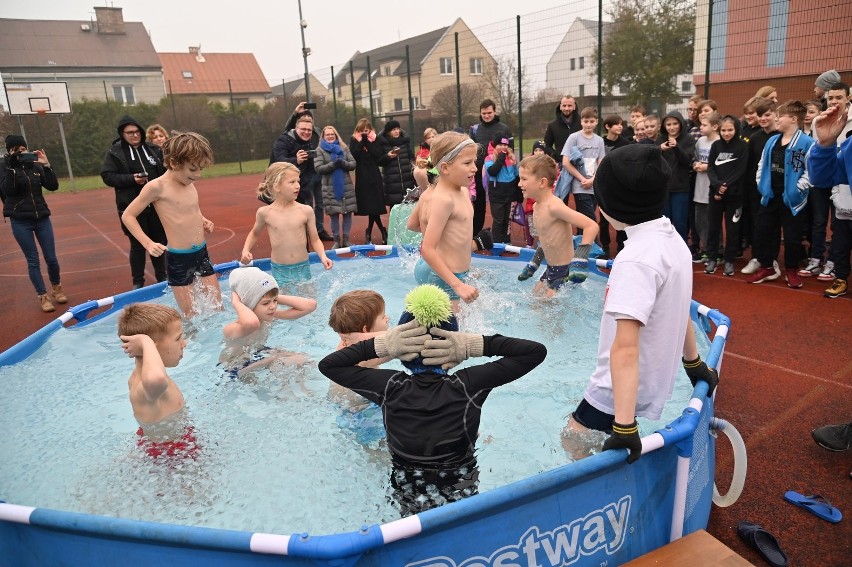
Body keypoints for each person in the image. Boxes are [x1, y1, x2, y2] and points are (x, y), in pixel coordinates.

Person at [318, 284, 547, 515]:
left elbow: (328, 365)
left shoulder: (388, 387)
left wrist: (385, 343)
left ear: (401, 349)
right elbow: (534, 351)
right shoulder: (469, 385)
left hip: (407, 490)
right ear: (454, 343)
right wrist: (471, 345)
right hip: (461, 488)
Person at [562, 145, 698, 464]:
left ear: (611, 204)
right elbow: (681, 305)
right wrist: (693, 362)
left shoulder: (635, 260)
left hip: (615, 390)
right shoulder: (671, 238)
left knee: (573, 440)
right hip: (646, 382)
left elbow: (624, 348)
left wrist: (624, 425)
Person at [120, 132, 220, 315]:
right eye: (192, 169)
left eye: (201, 169)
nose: (197, 175)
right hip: (179, 260)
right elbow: (128, 216)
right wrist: (148, 243)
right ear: (174, 163)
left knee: (217, 308)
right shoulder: (157, 187)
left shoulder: (189, 183)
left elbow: (192, 209)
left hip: (201, 253)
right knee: (192, 316)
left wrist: (203, 220)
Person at [748, 101, 814, 288]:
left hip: (791, 199)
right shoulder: (772, 140)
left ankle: (791, 269)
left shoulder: (807, 143)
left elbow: (811, 172)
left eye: (780, 116)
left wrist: (797, 189)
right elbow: (763, 164)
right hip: (770, 195)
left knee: (793, 237)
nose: (776, 119)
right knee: (764, 232)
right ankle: (767, 266)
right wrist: (762, 184)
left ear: (793, 119)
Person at [117, 303, 196, 459]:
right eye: (178, 338)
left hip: (170, 440)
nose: (184, 343)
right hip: (168, 454)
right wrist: (145, 342)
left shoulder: (145, 378)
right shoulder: (143, 387)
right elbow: (156, 378)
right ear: (152, 348)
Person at [101, 115, 168, 289]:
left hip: (156, 206)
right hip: (132, 206)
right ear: (122, 133)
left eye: (137, 131)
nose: (134, 135)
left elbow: (165, 173)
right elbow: (107, 176)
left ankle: (163, 278)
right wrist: (131, 179)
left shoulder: (153, 149)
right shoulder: (115, 153)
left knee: (159, 240)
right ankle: (138, 282)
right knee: (138, 245)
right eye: (130, 133)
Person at [242, 162, 333, 289]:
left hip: (303, 266)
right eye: (292, 182)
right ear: (277, 186)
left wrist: (323, 257)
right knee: (283, 303)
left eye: (298, 181)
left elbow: (315, 239)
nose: (297, 186)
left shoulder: (305, 210)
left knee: (309, 301)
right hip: (280, 270)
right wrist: (246, 250)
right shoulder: (265, 213)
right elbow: (254, 233)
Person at [1, 135, 67, 312]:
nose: (20, 152)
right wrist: (12, 167)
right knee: (33, 260)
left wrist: (46, 164)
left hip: (41, 218)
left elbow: (52, 186)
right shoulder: (4, 167)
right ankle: (43, 296)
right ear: (9, 151)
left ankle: (56, 288)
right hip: (20, 221)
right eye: (15, 149)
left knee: (51, 258)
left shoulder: (34, 165)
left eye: (23, 148)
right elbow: (9, 190)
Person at [518, 154, 598, 297]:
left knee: (548, 313)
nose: (519, 184)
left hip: (564, 270)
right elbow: (547, 240)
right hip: (550, 268)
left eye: (524, 179)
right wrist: (534, 265)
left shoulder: (554, 207)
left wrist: (579, 260)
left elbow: (591, 226)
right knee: (534, 299)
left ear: (542, 182)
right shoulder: (537, 207)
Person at [415, 131, 480, 304]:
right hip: (443, 277)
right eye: (467, 163)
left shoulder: (463, 192)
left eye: (474, 161)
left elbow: (457, 235)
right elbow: (427, 249)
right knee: (451, 330)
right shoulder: (443, 199)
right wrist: (458, 285)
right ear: (445, 168)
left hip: (454, 273)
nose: (474, 168)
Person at [221, 267, 315, 378]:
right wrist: (236, 302)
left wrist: (270, 295)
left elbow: (310, 305)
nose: (273, 307)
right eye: (265, 303)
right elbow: (252, 323)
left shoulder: (266, 317)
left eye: (275, 301)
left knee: (306, 361)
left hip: (258, 353)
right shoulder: (233, 328)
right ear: (248, 303)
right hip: (235, 368)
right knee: (278, 363)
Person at [270, 106, 333, 242]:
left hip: (305, 182)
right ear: (296, 127)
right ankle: (291, 244)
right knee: (288, 217)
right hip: (283, 187)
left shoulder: (312, 141)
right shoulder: (284, 140)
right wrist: (296, 160)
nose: (306, 132)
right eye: (303, 129)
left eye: (309, 129)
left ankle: (311, 239)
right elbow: (279, 161)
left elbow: (311, 166)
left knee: (309, 210)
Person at [809, 98, 851, 298]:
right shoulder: (849, 145)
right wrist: (825, 144)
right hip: (846, 211)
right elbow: (823, 178)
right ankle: (841, 278)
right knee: (841, 246)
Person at [706, 115, 748, 276]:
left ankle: (729, 260)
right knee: (713, 228)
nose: (726, 133)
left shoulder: (743, 146)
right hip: (715, 194)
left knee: (732, 229)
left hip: (735, 195)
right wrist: (718, 186)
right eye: (723, 130)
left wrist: (725, 186)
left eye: (730, 130)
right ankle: (712, 258)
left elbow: (741, 169)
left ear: (736, 129)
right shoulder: (716, 145)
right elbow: (710, 167)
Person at [740, 98, 777, 273]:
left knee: (774, 226)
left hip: (776, 190)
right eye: (760, 115)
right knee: (756, 224)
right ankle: (756, 257)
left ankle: (773, 259)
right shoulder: (755, 138)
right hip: (756, 190)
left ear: (776, 115)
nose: (763, 118)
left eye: (767, 115)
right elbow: (749, 165)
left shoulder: (781, 137)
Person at [470, 99, 512, 236]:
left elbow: (509, 149)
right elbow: (470, 149)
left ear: (495, 111)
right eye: (483, 113)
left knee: (499, 206)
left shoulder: (504, 128)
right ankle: (475, 234)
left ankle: (501, 236)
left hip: (498, 173)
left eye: (489, 113)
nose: (486, 116)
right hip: (478, 172)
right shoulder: (475, 130)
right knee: (479, 205)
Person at [314, 125, 357, 249]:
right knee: (334, 215)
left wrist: (342, 163)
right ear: (323, 136)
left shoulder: (343, 148)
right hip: (329, 188)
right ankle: (337, 241)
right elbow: (318, 168)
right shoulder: (320, 150)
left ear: (336, 135)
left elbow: (353, 163)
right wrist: (333, 165)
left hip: (346, 186)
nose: (330, 136)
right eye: (328, 135)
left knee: (347, 213)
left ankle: (346, 240)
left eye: (332, 134)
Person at [562, 107, 606, 226]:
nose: (588, 124)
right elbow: (565, 162)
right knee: (590, 221)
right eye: (586, 121)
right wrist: (582, 179)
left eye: (592, 121)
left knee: (583, 220)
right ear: (581, 121)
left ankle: (581, 242)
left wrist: (592, 180)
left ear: (596, 122)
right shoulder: (574, 138)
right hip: (580, 186)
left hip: (593, 186)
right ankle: (594, 244)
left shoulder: (599, 141)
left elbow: (601, 163)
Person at [660, 111, 697, 242]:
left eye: (675, 123)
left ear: (681, 124)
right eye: (668, 124)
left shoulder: (688, 139)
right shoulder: (660, 139)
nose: (672, 127)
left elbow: (687, 161)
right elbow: (652, 159)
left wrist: (676, 147)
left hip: (681, 188)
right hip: (663, 188)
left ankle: (682, 249)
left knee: (680, 221)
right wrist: (660, 149)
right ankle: (666, 249)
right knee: (665, 223)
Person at [350, 119, 387, 245]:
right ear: (358, 130)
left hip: (374, 175)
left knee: (375, 206)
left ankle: (371, 231)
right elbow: (354, 154)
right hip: (362, 176)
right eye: (362, 130)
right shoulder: (354, 140)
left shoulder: (376, 139)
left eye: (367, 130)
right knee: (370, 207)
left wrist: (367, 141)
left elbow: (377, 154)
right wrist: (362, 142)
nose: (365, 132)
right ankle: (381, 230)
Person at [692, 111, 721, 265]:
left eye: (704, 125)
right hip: (699, 187)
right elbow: (695, 158)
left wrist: (707, 167)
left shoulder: (720, 142)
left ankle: (717, 251)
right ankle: (706, 249)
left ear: (715, 126)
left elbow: (722, 166)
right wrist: (696, 164)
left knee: (713, 221)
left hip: (712, 188)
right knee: (700, 221)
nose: (701, 127)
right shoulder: (700, 141)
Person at [600, 116, 629, 257]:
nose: (620, 126)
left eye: (621, 124)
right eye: (616, 124)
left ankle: (621, 246)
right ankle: (605, 247)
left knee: (620, 218)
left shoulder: (625, 143)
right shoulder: (600, 142)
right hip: (603, 185)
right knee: (604, 219)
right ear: (607, 126)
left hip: (619, 185)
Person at [484, 135, 520, 244]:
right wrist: (501, 157)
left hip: (509, 193)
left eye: (505, 145)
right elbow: (493, 171)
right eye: (500, 145)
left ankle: (506, 241)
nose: (503, 147)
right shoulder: (489, 158)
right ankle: (496, 243)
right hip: (497, 194)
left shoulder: (512, 159)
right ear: (495, 146)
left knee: (506, 220)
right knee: (498, 220)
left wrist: (518, 194)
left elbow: (516, 175)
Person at [376, 120, 416, 209]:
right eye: (394, 129)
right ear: (388, 132)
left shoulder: (404, 143)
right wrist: (388, 156)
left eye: (398, 129)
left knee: (409, 209)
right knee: (395, 209)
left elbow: (411, 157)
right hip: (392, 183)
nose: (397, 131)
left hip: (407, 181)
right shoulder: (383, 144)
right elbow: (379, 161)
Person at [543, 95, 581, 162]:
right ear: (560, 107)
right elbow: (547, 146)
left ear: (574, 107)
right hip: (562, 164)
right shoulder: (552, 125)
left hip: (581, 162)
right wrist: (557, 156)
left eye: (569, 106)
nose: (566, 108)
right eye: (564, 105)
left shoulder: (582, 123)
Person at [413, 127, 438, 192]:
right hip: (428, 180)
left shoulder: (441, 149)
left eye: (433, 137)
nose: (431, 139)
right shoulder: (421, 152)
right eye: (428, 138)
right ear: (425, 140)